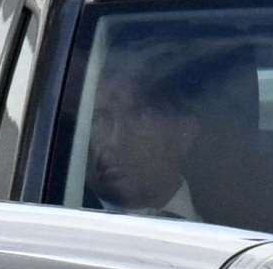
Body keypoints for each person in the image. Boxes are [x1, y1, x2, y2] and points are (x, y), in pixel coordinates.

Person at [86, 45, 245, 218]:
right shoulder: (64, 223)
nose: (116, 141)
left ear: (185, 131)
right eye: (99, 119)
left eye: (141, 117)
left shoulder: (238, 225)